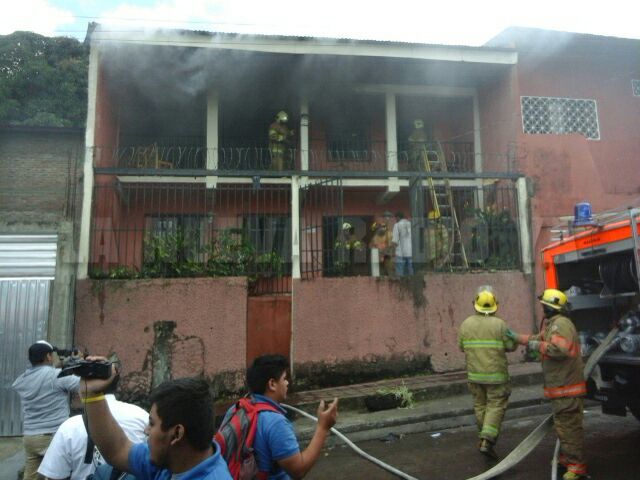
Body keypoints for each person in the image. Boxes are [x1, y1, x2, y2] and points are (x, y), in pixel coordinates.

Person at [79, 364, 232, 480]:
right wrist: (92, 394)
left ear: (177, 434)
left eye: (152, 423)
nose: (146, 430)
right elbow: (118, 450)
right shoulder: (170, 460)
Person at [508, 289, 587, 480]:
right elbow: (539, 339)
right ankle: (568, 460)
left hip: (566, 389)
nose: (542, 307)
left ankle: (576, 467)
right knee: (563, 427)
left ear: (550, 307)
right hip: (561, 389)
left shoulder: (561, 324)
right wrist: (517, 337)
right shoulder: (554, 324)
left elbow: (559, 350)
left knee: (569, 429)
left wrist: (536, 346)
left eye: (544, 305)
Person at [222, 355, 338, 480]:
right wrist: (323, 427)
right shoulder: (276, 423)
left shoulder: (236, 408)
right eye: (284, 378)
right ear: (272, 384)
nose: (287, 383)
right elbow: (298, 470)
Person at [37, 361, 148, 480]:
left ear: (81, 386)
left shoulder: (69, 427)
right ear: (116, 384)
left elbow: (54, 474)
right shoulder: (143, 417)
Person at [458, 286, 517, 460]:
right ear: (494, 305)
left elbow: (461, 346)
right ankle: (487, 440)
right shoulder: (499, 324)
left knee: (480, 406)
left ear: (475, 304)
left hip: (475, 375)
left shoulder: (466, 323)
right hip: (496, 376)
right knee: (495, 406)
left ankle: (483, 437)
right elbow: (510, 346)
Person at [12, 340, 81, 480]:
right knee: (61, 475)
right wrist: (81, 363)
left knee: (31, 476)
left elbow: (43, 373)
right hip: (52, 436)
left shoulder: (23, 379)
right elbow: (83, 385)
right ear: (49, 356)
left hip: (30, 437)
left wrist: (64, 362)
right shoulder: (56, 376)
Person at [392, 211, 413, 276]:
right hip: (411, 252)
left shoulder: (397, 225)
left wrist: (392, 252)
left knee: (400, 272)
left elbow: (395, 241)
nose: (395, 220)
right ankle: (412, 284)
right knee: (410, 271)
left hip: (400, 253)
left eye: (396, 219)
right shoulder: (411, 224)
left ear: (398, 217)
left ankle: (400, 285)